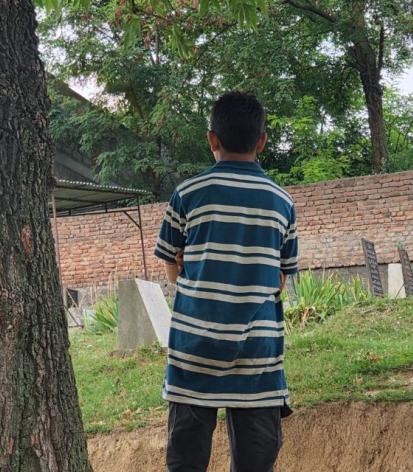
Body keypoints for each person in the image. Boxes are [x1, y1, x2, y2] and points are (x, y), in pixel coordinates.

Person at [154, 91, 298, 472]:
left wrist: (191, 270)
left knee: (185, 459)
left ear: (211, 139)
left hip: (193, 350)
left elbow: (171, 268)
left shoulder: (186, 194)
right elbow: (281, 278)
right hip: (258, 357)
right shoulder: (282, 201)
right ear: (262, 141)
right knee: (256, 459)